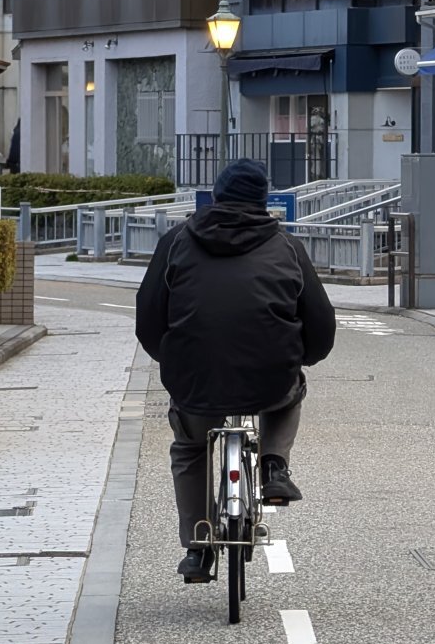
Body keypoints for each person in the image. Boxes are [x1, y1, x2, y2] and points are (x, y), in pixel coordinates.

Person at [135, 158, 336, 583]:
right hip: (270, 377)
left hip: (195, 380)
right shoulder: (287, 247)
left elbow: (148, 318)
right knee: (290, 390)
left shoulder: (176, 242)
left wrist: (172, 361)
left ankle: (197, 546)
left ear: (217, 195)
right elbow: (320, 323)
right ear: (263, 201)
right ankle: (274, 466)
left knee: (190, 447)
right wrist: (304, 359)